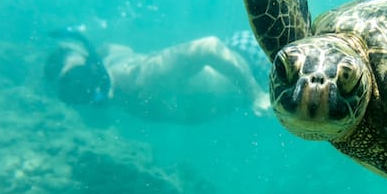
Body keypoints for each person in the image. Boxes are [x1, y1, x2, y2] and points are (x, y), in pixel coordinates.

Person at [43, 28, 270, 124]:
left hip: (258, 62)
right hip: (245, 62)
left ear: (91, 66)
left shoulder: (139, 79)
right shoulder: (113, 64)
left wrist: (255, 94)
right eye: (72, 95)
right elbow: (114, 48)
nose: (86, 91)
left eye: (80, 79)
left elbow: (207, 47)